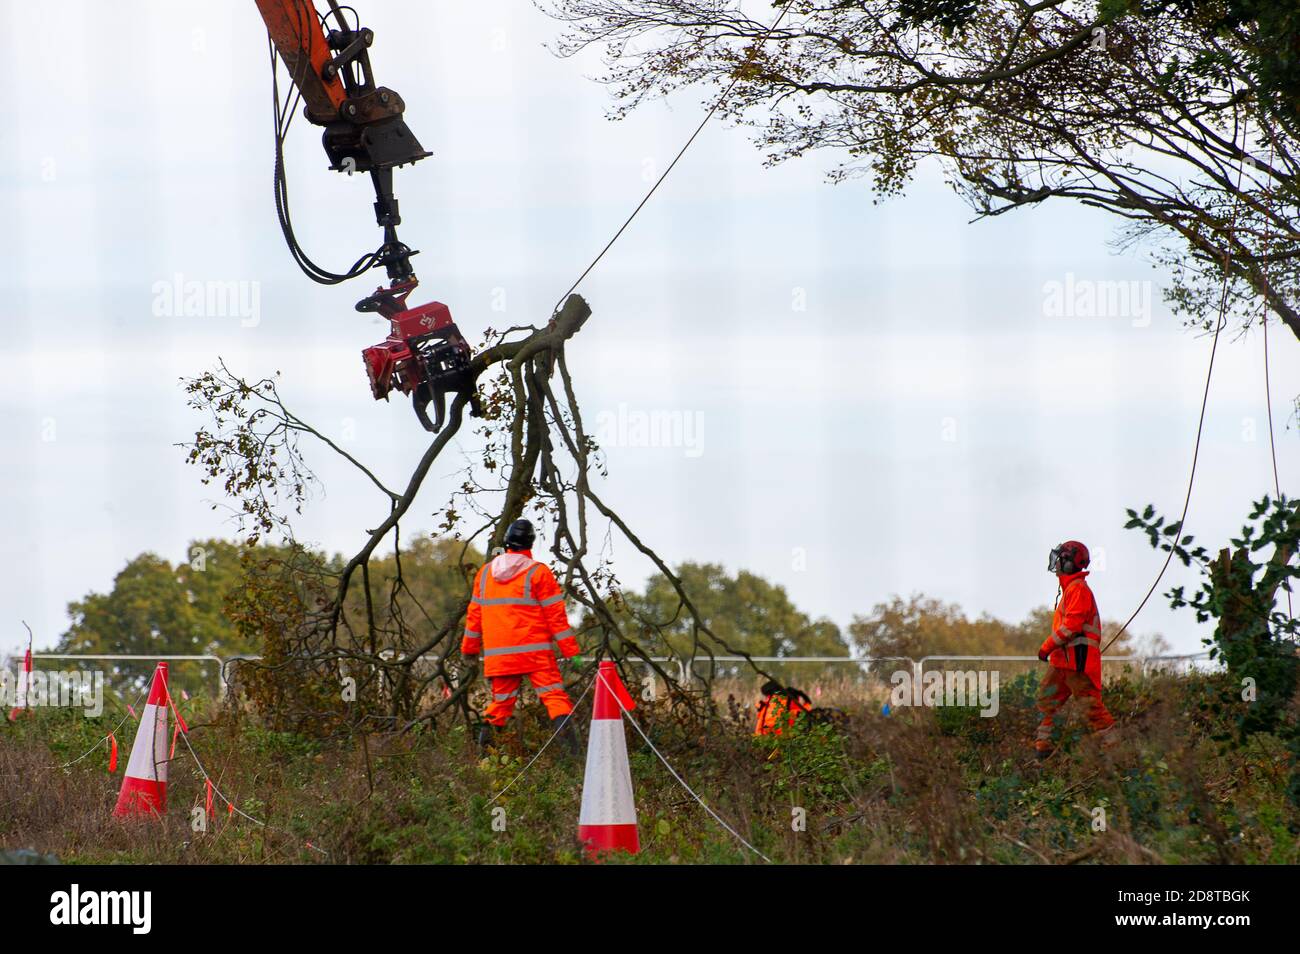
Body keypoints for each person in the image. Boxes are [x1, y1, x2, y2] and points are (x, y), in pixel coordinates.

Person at [461, 519, 581, 751]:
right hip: (535, 655)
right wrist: (571, 652)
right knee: (555, 699)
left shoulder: (485, 574)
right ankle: (573, 759)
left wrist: (469, 649)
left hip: (501, 657)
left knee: (500, 705)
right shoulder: (539, 573)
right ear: (531, 544)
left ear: (506, 542)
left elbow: (474, 617)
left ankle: (485, 758)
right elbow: (556, 619)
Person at [1035, 540, 1115, 759]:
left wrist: (1046, 647)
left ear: (1069, 563)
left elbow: (1071, 626)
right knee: (1046, 701)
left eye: (1060, 558)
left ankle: (1117, 753)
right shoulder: (1070, 589)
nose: (1056, 563)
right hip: (1062, 661)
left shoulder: (1078, 589)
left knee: (1091, 708)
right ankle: (1043, 752)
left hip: (1077, 662)